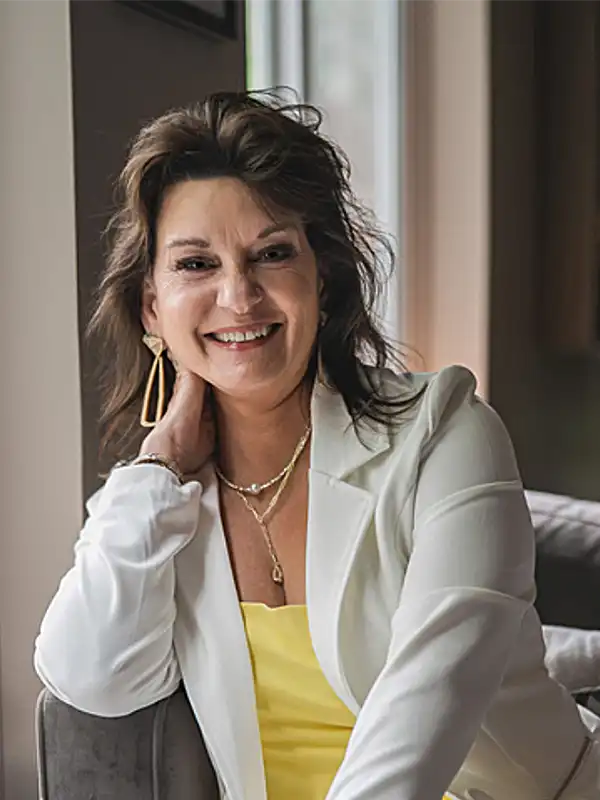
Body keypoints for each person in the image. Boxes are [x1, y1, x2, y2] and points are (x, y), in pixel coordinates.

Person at [34, 91, 600, 800]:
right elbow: (89, 678)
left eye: (271, 254)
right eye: (196, 265)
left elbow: (428, 709)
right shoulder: (160, 502)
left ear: (321, 278)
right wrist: (157, 467)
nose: (239, 296)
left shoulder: (446, 433)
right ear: (152, 307)